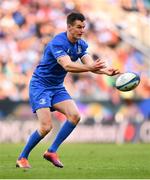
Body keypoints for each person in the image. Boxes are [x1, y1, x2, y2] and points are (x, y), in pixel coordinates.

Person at [16, 12, 120, 169]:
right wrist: (90, 67)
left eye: (83, 27)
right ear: (69, 27)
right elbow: (68, 66)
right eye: (78, 27)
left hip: (57, 87)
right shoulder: (57, 43)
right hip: (41, 85)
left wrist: (105, 72)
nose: (81, 30)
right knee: (46, 127)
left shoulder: (81, 44)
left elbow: (90, 65)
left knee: (75, 116)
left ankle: (51, 151)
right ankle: (22, 158)